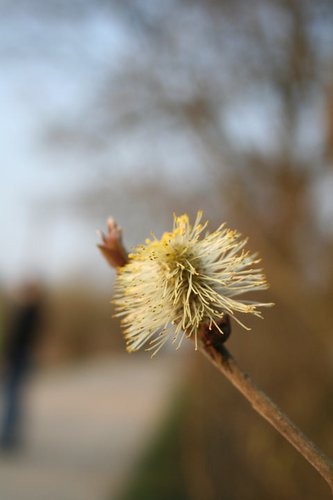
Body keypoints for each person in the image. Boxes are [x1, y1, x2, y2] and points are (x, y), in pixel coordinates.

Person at [0, 281, 44, 449]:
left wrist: (7, 358)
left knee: (13, 395)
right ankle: (10, 434)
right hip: (22, 357)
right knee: (15, 396)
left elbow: (15, 338)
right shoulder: (34, 312)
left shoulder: (26, 312)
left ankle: (8, 436)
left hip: (17, 357)